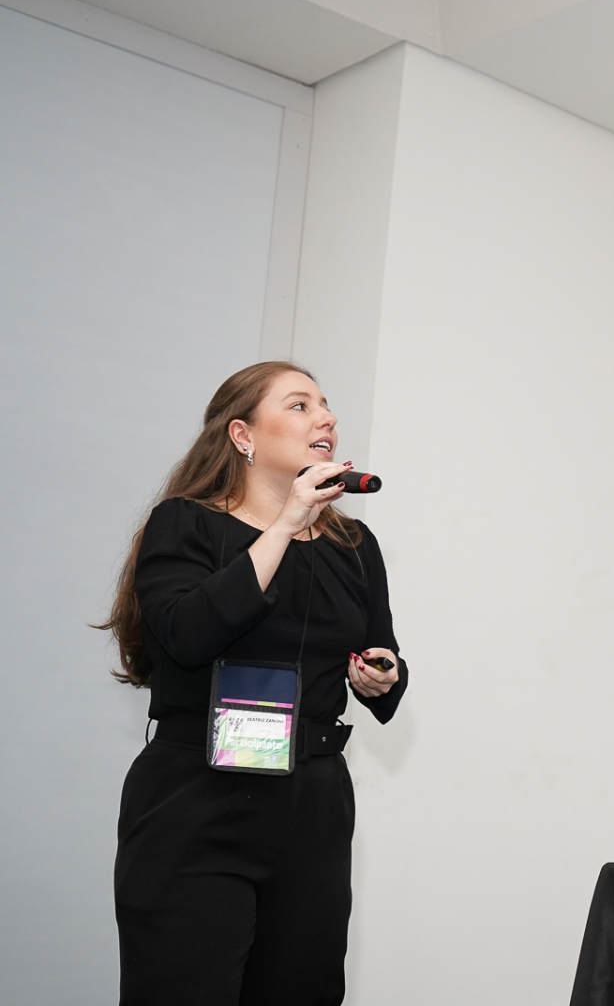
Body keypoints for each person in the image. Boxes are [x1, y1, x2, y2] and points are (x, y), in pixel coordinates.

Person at [98, 361, 408, 1006]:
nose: (326, 418)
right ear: (242, 435)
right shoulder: (185, 523)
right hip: (198, 795)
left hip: (313, 806)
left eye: (325, 405)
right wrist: (286, 524)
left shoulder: (354, 544)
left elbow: (382, 652)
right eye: (299, 405)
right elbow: (186, 635)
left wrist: (382, 674)